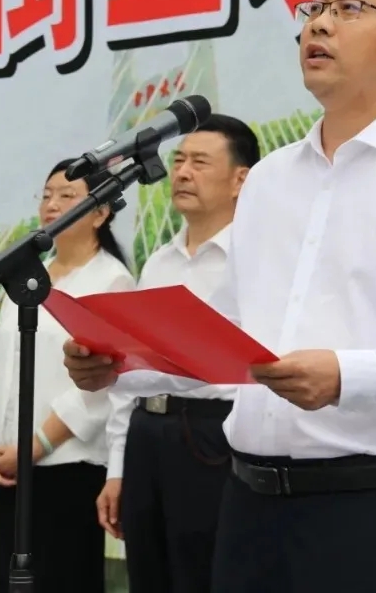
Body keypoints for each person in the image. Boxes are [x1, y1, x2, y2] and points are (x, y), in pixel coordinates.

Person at [65, 0, 376, 593]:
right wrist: (124, 365)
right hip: (245, 504)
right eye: (316, 7)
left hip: (366, 512)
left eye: (350, 8)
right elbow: (232, 342)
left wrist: (346, 377)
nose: (320, 23)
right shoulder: (270, 180)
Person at [98, 113, 260, 593]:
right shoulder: (158, 262)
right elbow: (131, 370)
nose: (183, 173)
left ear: (240, 180)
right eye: (179, 161)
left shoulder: (256, 262)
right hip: (147, 432)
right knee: (149, 574)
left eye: (200, 163)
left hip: (212, 436)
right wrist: (117, 467)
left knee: (205, 575)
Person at [0, 158, 136, 593]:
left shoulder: (112, 281)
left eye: (67, 196)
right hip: (8, 467)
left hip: (67, 469)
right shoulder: (28, 278)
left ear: (101, 213)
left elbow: (103, 388)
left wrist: (36, 445)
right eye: (46, 195)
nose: (52, 204)